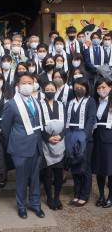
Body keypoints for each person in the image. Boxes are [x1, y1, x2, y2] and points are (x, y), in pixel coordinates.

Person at [1, 72, 45, 219]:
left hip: (36, 147)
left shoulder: (36, 101)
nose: (27, 85)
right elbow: (5, 129)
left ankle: (35, 204)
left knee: (35, 178)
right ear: (18, 86)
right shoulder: (11, 105)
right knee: (21, 179)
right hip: (20, 148)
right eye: (24, 83)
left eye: (30, 82)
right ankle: (21, 206)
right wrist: (14, 144)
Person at [65, 77, 96, 207]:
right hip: (71, 136)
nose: (79, 87)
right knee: (75, 166)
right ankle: (76, 193)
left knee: (85, 167)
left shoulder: (91, 101)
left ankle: (84, 195)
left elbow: (91, 119)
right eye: (77, 85)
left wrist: (83, 136)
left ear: (87, 87)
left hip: (85, 138)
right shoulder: (70, 102)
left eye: (82, 85)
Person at [40, 82, 65, 210]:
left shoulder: (61, 105)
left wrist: (61, 136)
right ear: (44, 90)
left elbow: (66, 125)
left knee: (59, 174)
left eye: (52, 89)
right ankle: (49, 198)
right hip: (46, 143)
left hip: (60, 142)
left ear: (56, 90)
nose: (50, 90)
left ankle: (57, 197)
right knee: (48, 174)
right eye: (47, 89)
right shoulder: (40, 105)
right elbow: (38, 126)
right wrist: (48, 138)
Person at [92, 78, 112, 208]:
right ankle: (101, 195)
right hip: (97, 137)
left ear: (110, 87)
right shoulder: (95, 102)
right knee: (99, 169)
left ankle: (110, 196)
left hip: (110, 138)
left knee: (110, 169)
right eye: (98, 88)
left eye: (103, 87)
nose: (101, 90)